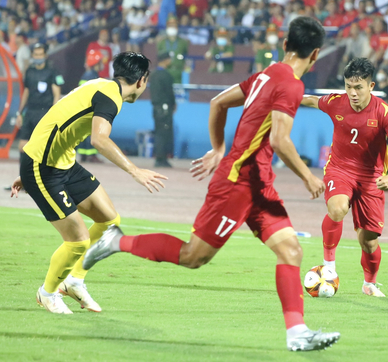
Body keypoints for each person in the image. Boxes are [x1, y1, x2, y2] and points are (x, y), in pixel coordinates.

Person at [81, 17, 340, 352]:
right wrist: (308, 175)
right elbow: (279, 138)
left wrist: (219, 148)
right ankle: (117, 241)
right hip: (236, 183)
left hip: (259, 184)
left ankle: (297, 333)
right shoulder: (291, 84)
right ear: (316, 54)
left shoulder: (267, 73)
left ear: (286, 44)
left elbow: (219, 102)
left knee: (291, 250)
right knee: (193, 256)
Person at [10, 52, 167, 314]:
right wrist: (134, 170)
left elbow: (56, 113)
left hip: (62, 162)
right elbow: (99, 140)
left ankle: (74, 280)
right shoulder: (110, 97)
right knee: (78, 242)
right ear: (142, 80)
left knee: (109, 222)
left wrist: (33, 160)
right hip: (44, 168)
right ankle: (47, 293)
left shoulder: (99, 84)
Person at [300, 58, 388, 297]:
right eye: (349, 86)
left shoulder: (384, 113)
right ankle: (329, 268)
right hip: (340, 169)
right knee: (337, 208)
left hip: (371, 178)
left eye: (358, 87)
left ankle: (369, 283)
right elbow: (310, 100)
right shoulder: (336, 102)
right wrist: (282, 95)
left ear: (371, 86)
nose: (352, 92)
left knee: (369, 241)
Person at [16, 43, 64, 155]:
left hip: (45, 112)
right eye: (36, 55)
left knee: (43, 146)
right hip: (30, 111)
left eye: (40, 54)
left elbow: (57, 93)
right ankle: (24, 172)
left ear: (45, 55)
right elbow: (26, 92)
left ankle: (41, 171)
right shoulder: (29, 71)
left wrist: (53, 113)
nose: (38, 57)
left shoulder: (52, 71)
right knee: (22, 146)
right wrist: (20, 112)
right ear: (32, 55)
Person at [76, 49, 106, 163]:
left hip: (84, 107)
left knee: (85, 131)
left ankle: (84, 155)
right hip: (89, 107)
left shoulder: (89, 74)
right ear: (96, 63)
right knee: (92, 131)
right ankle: (91, 155)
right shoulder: (91, 75)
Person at [150, 52, 176, 168]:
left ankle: (159, 157)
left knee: (158, 132)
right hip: (165, 107)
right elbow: (170, 93)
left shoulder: (153, 74)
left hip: (156, 107)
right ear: (165, 60)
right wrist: (173, 104)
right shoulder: (166, 75)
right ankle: (161, 159)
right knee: (164, 133)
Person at [156, 17, 189, 84]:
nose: (172, 28)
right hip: (165, 73)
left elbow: (186, 55)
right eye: (170, 26)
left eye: (174, 26)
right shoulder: (161, 42)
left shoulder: (183, 42)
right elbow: (159, 57)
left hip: (179, 72)